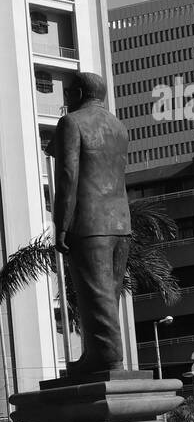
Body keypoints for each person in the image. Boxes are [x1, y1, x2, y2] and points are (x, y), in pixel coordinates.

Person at [46, 72, 132, 375]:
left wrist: (62, 223)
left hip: (90, 221)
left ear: (79, 92)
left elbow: (68, 175)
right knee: (107, 295)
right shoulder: (118, 126)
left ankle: (107, 358)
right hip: (121, 222)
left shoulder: (72, 123)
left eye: (68, 92)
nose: (66, 98)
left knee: (95, 294)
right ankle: (98, 355)